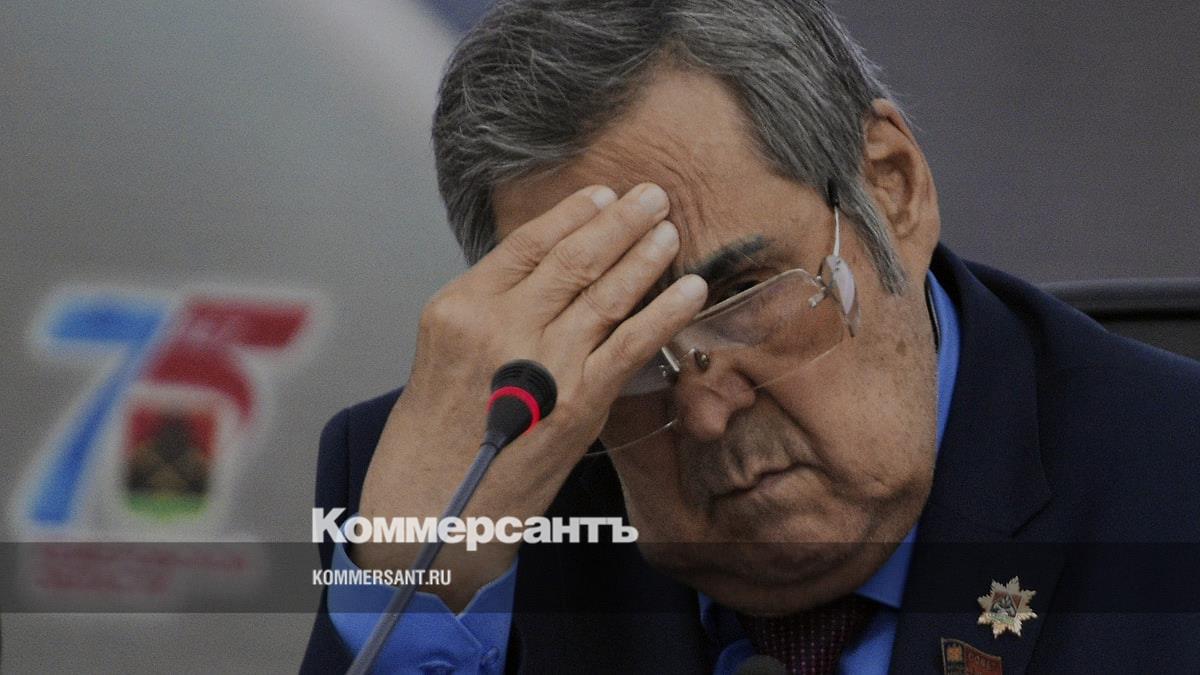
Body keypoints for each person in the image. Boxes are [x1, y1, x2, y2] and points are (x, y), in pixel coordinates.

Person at [302, 1, 1200, 672]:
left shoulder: (1175, 478)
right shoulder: (459, 485)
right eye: (623, 335)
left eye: (744, 293)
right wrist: (418, 576)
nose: (704, 408)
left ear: (892, 190)